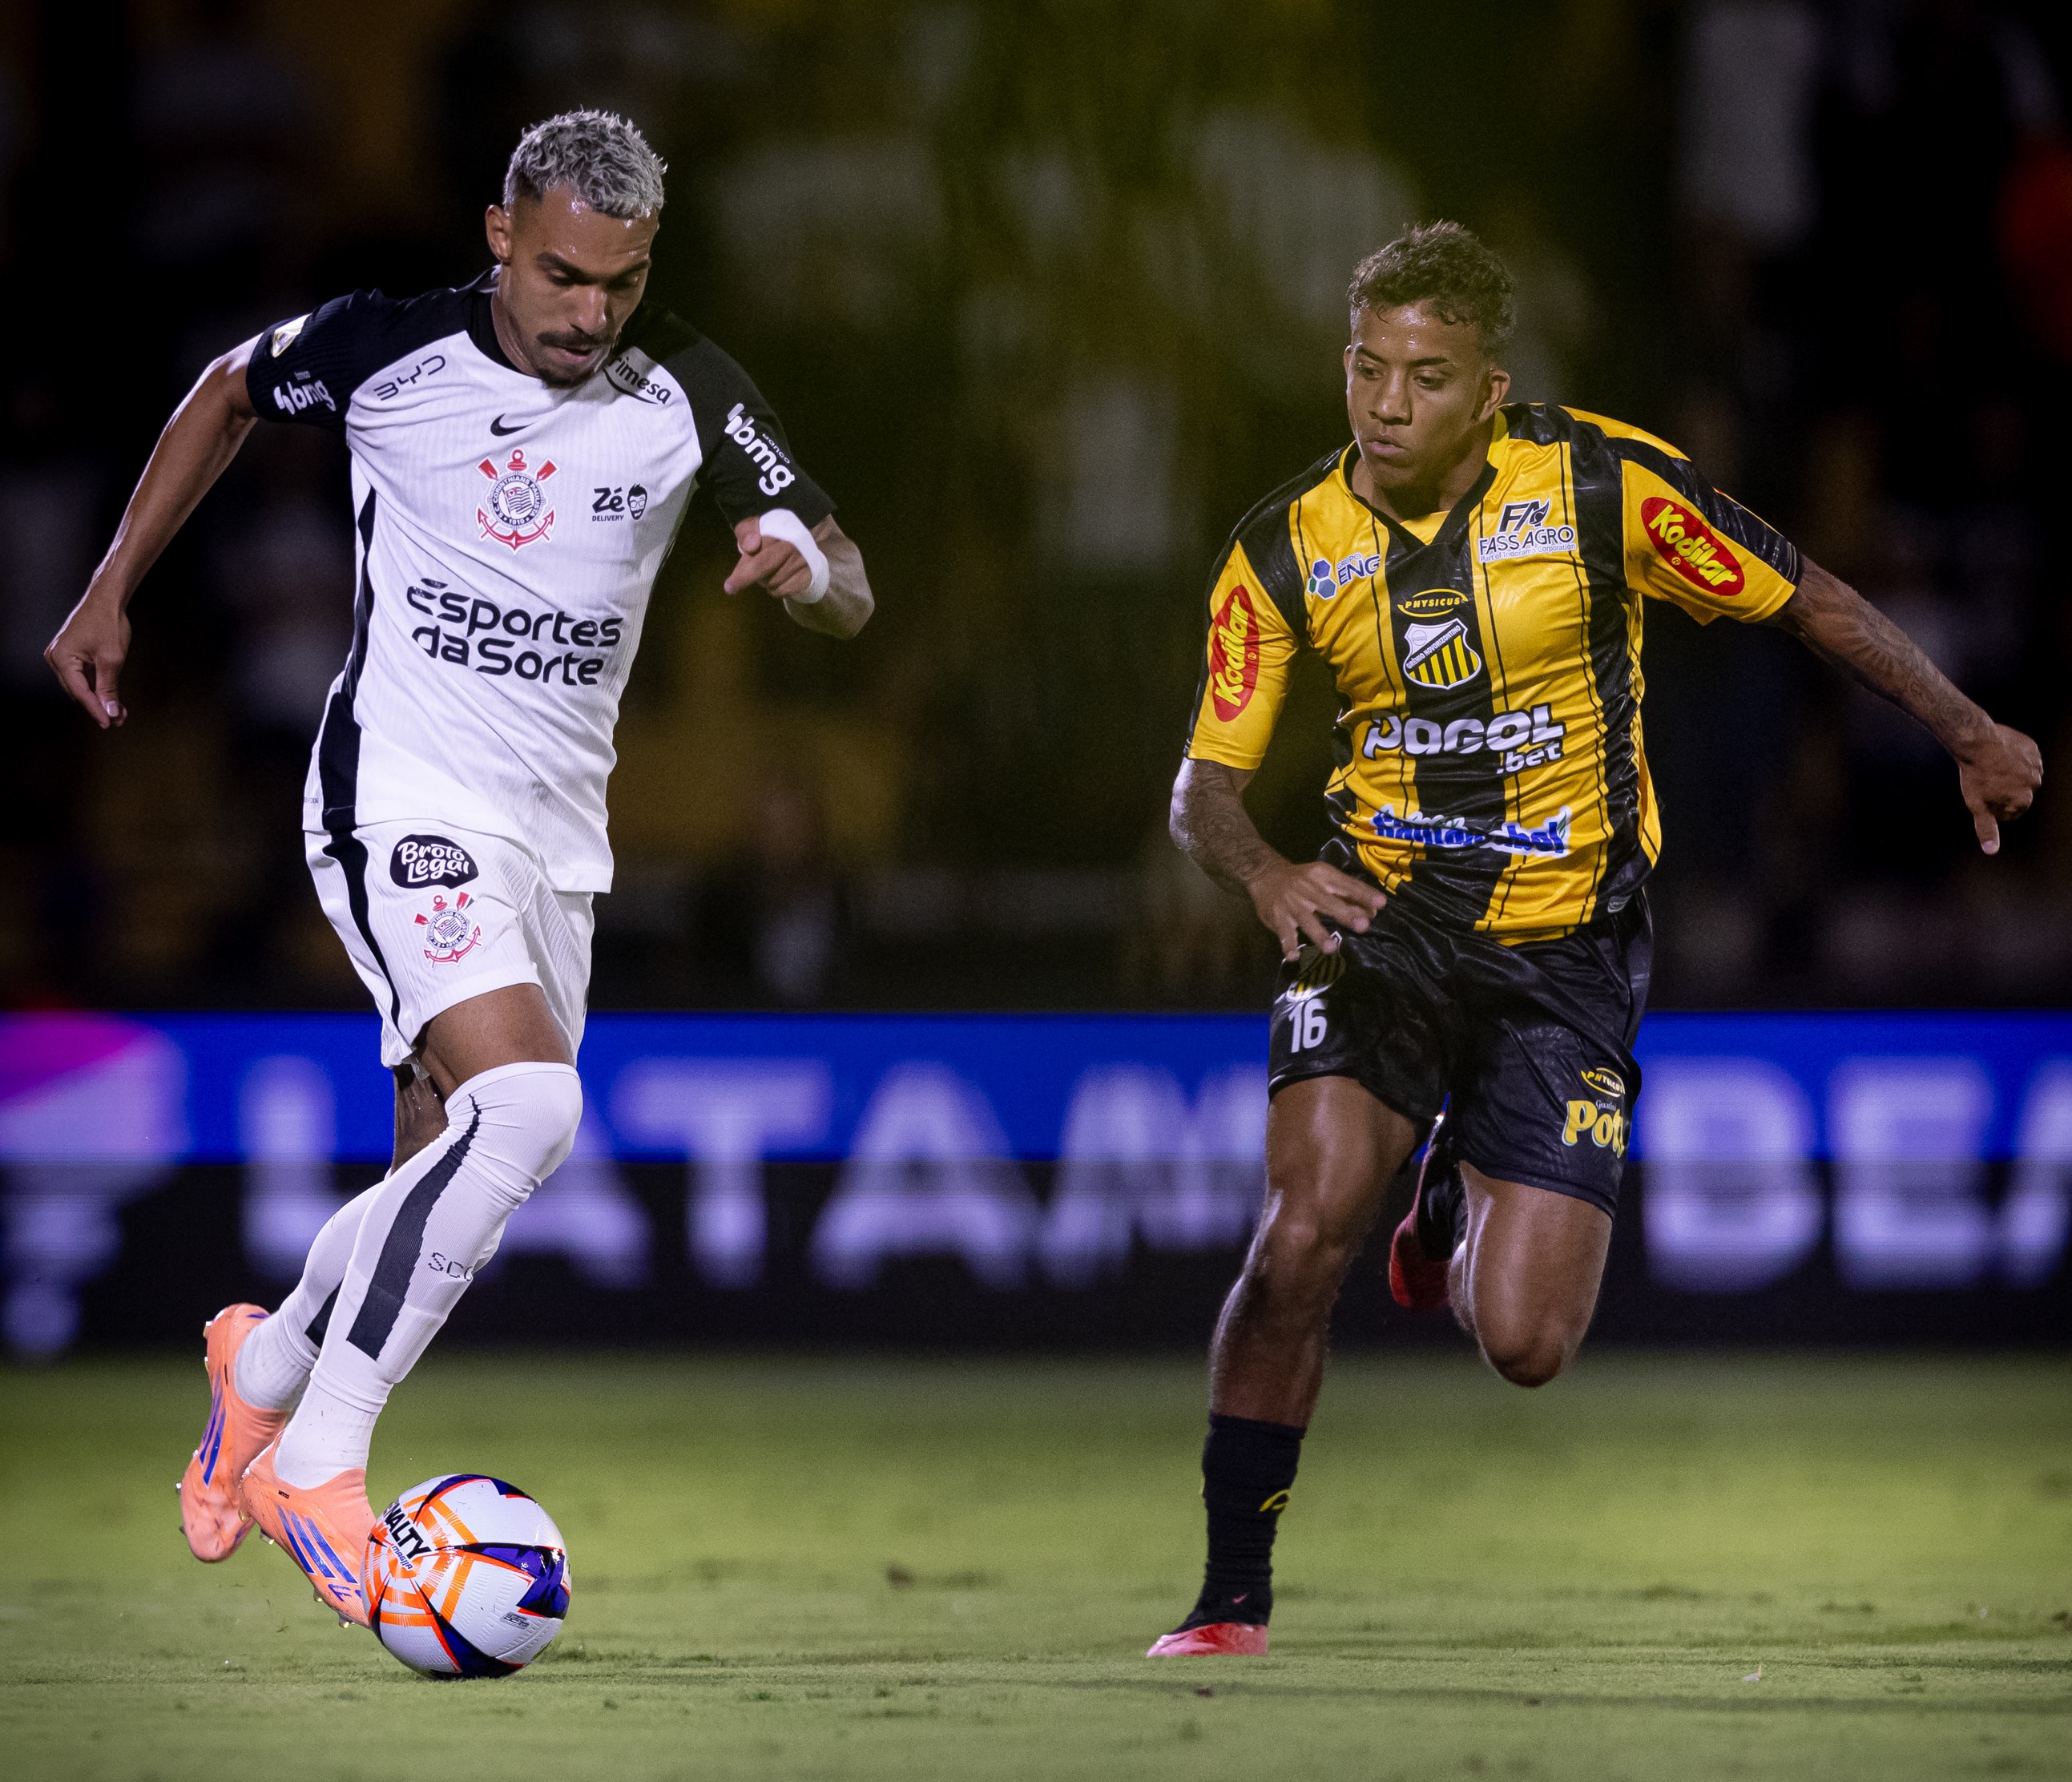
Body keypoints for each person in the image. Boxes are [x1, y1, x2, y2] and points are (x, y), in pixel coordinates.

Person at [1149, 222, 2040, 1657]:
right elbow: (1203, 785)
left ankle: (1451, 1189)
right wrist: (1260, 875)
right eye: (1366, 370)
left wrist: (1969, 730)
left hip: (1568, 944)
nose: (1385, 405)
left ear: (1488, 390)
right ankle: (1227, 1600)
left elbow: (1802, 594)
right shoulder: (1281, 548)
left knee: (1524, 1346)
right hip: (1377, 924)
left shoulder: (1600, 487)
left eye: (1424, 378)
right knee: (1301, 1233)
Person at [45, 111, 873, 1624]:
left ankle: (268, 1364)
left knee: (456, 1169)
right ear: (502, 232)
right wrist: (111, 589)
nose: (587, 315)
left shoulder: (686, 383)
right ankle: (321, 1465)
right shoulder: (385, 351)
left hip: (559, 843)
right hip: (399, 794)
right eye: (562, 274)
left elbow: (850, 580)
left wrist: (802, 566)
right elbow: (227, 389)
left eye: (618, 285)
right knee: (533, 1104)